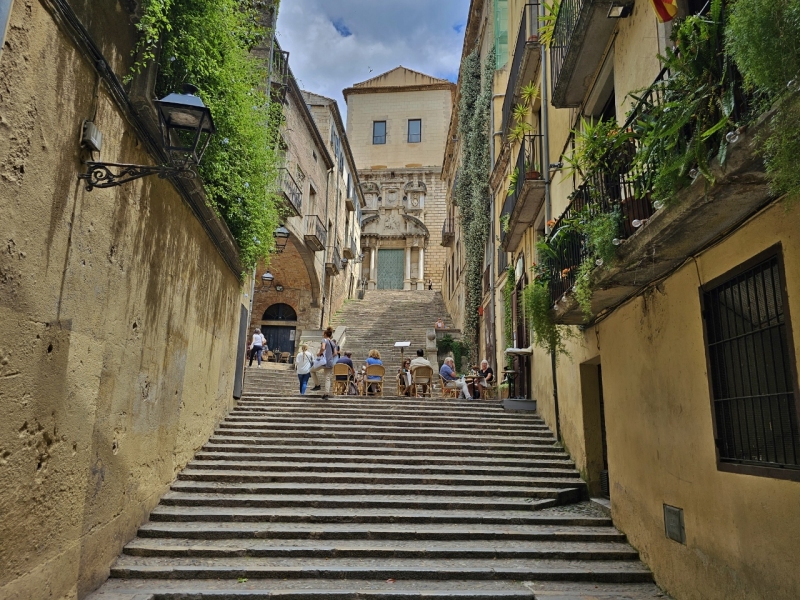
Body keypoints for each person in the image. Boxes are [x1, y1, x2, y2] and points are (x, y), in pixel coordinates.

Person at [310, 327, 336, 398]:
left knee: (312, 371)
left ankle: (317, 385)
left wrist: (319, 353)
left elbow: (323, 348)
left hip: (323, 361)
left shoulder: (324, 340)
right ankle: (326, 394)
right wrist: (330, 356)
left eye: (323, 333)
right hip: (330, 362)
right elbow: (335, 353)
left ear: (325, 334)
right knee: (327, 377)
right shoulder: (332, 342)